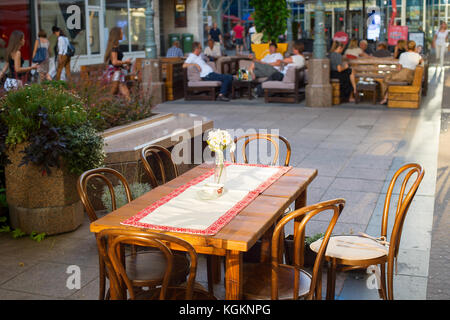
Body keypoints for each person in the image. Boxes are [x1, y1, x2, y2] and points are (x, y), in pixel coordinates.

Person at [380, 40, 423, 105]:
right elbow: (421, 63)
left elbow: (399, 68)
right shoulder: (418, 56)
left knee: (386, 79)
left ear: (407, 47)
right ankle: (386, 98)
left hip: (403, 75)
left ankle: (384, 97)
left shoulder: (403, 55)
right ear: (414, 47)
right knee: (389, 78)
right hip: (412, 77)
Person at [104, 27, 132, 101]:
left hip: (117, 71)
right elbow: (114, 62)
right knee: (112, 91)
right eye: (121, 33)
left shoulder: (115, 46)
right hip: (115, 72)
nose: (123, 34)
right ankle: (102, 107)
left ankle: (132, 108)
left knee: (125, 91)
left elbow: (116, 61)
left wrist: (123, 66)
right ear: (117, 35)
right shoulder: (114, 48)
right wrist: (126, 62)